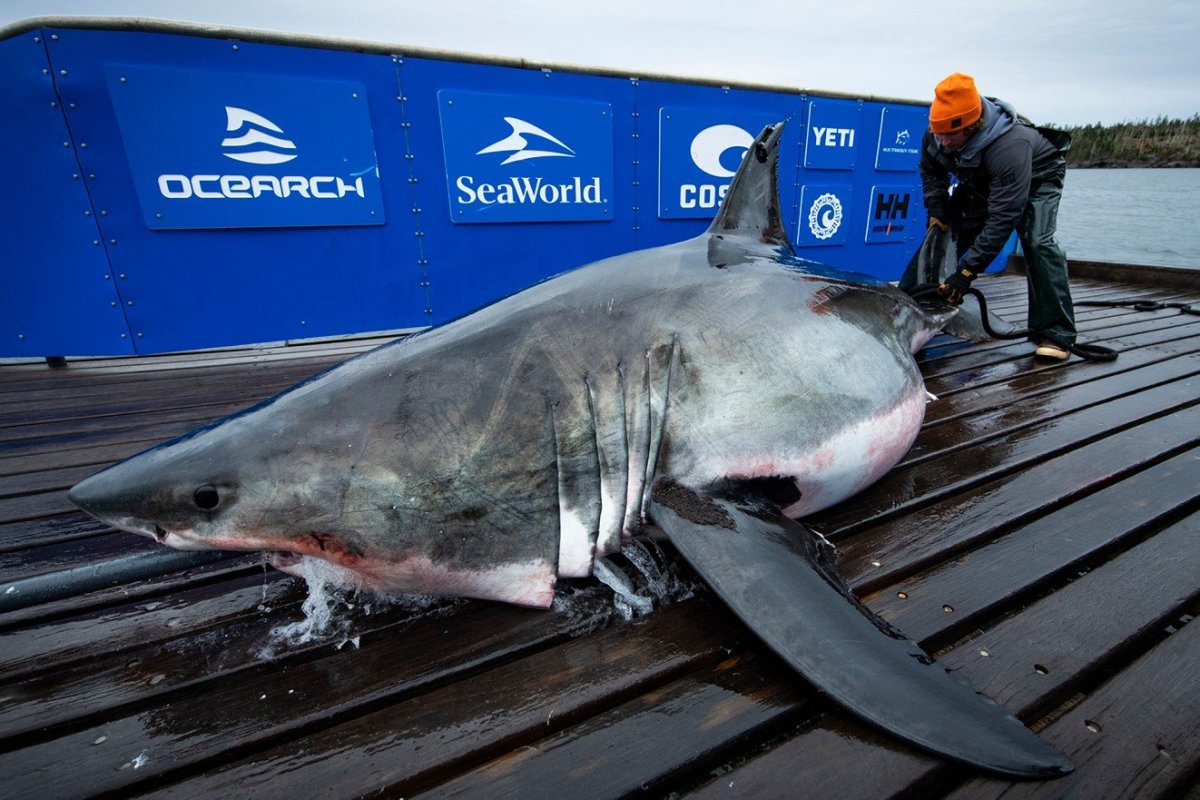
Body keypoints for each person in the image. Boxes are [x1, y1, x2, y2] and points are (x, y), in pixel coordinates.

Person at [920, 72, 1076, 360]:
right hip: (981, 179)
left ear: (972, 126)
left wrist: (965, 274)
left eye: (949, 135)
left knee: (1038, 242)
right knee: (943, 229)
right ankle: (916, 309)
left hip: (1038, 178)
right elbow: (931, 171)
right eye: (937, 132)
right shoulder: (937, 135)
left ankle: (1056, 333)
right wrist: (937, 209)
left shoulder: (1009, 146)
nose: (941, 141)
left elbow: (1002, 219)